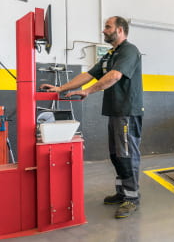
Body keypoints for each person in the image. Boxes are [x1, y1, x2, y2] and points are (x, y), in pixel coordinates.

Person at [41, 16, 144, 219]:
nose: (103, 30)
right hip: (115, 112)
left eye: (108, 27)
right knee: (116, 155)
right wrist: (61, 87)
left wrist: (87, 92)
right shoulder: (110, 54)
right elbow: (89, 74)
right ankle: (122, 192)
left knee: (126, 155)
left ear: (120, 30)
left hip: (127, 112)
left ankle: (132, 198)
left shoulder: (129, 51)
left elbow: (114, 76)